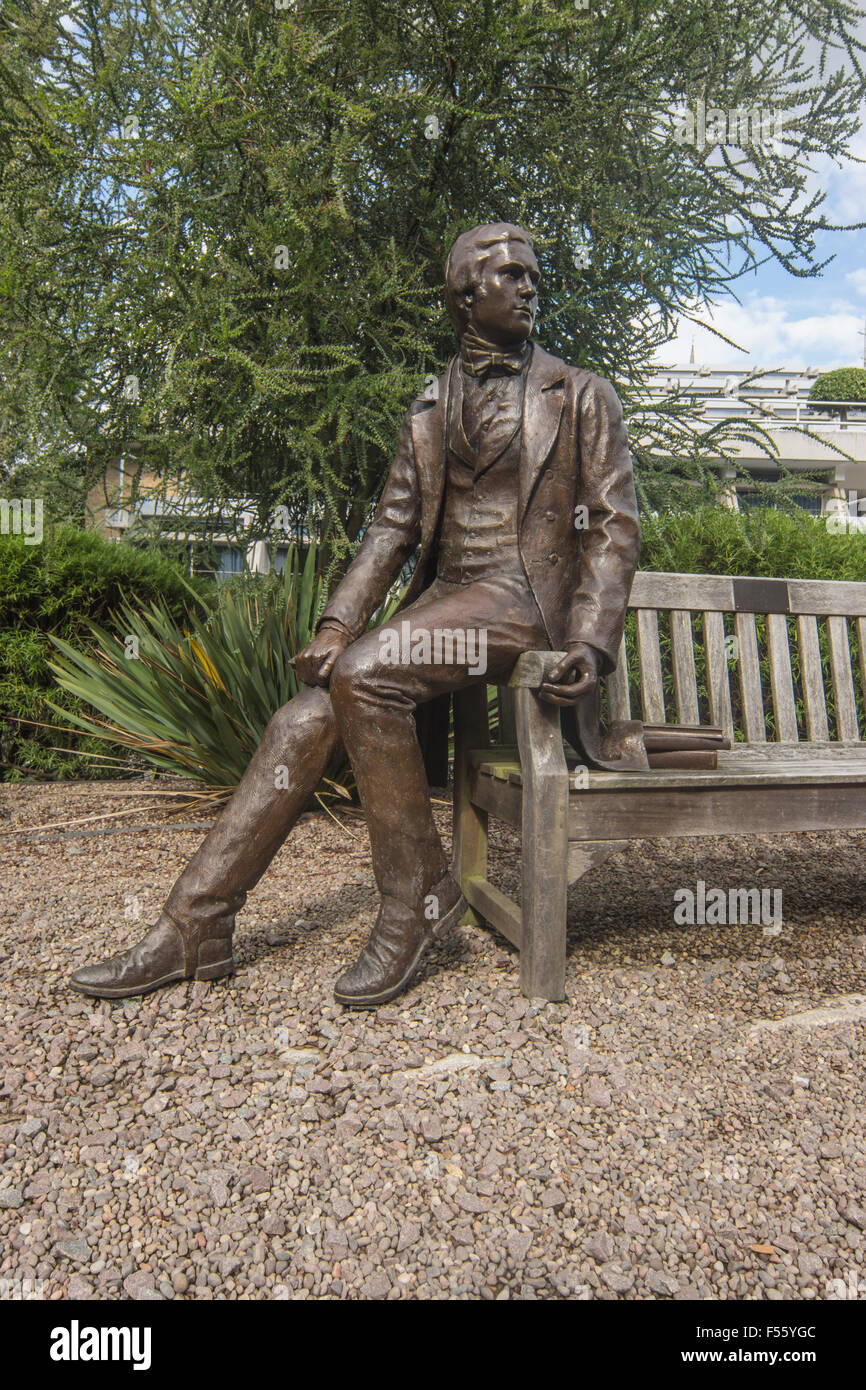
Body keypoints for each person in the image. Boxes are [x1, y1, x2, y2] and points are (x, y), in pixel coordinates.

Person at [69, 222, 640, 1008]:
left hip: (525, 606)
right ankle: (196, 923)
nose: (529, 286)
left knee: (369, 675)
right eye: (510, 274)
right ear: (465, 294)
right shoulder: (431, 406)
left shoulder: (580, 395)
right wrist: (338, 626)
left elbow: (612, 526)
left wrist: (589, 640)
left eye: (531, 274)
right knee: (302, 721)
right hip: (446, 607)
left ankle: (416, 902)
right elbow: (391, 530)